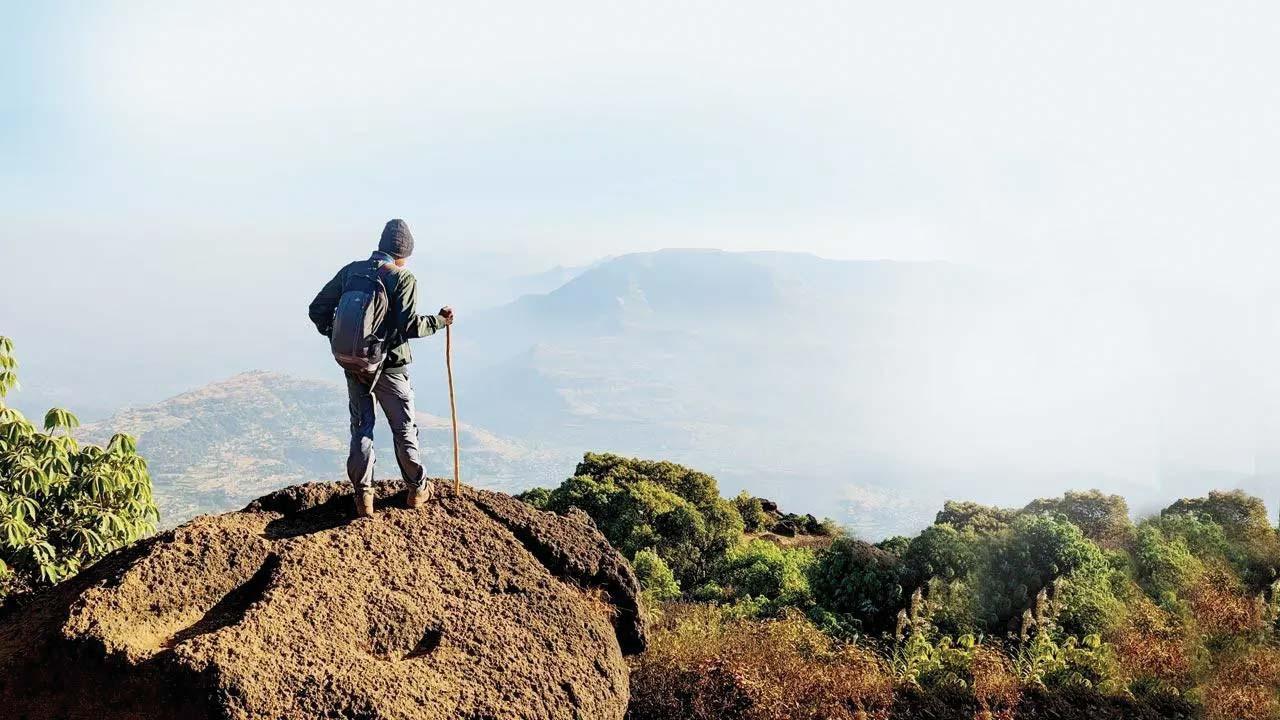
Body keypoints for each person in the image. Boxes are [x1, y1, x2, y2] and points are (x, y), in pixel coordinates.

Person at [308, 219, 454, 518]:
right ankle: (417, 489)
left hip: (355, 362)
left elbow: (317, 309)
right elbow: (410, 327)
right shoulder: (403, 278)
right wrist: (441, 321)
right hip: (390, 367)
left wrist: (339, 336)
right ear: (405, 252)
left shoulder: (352, 271)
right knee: (403, 428)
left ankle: (363, 497)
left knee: (362, 427)